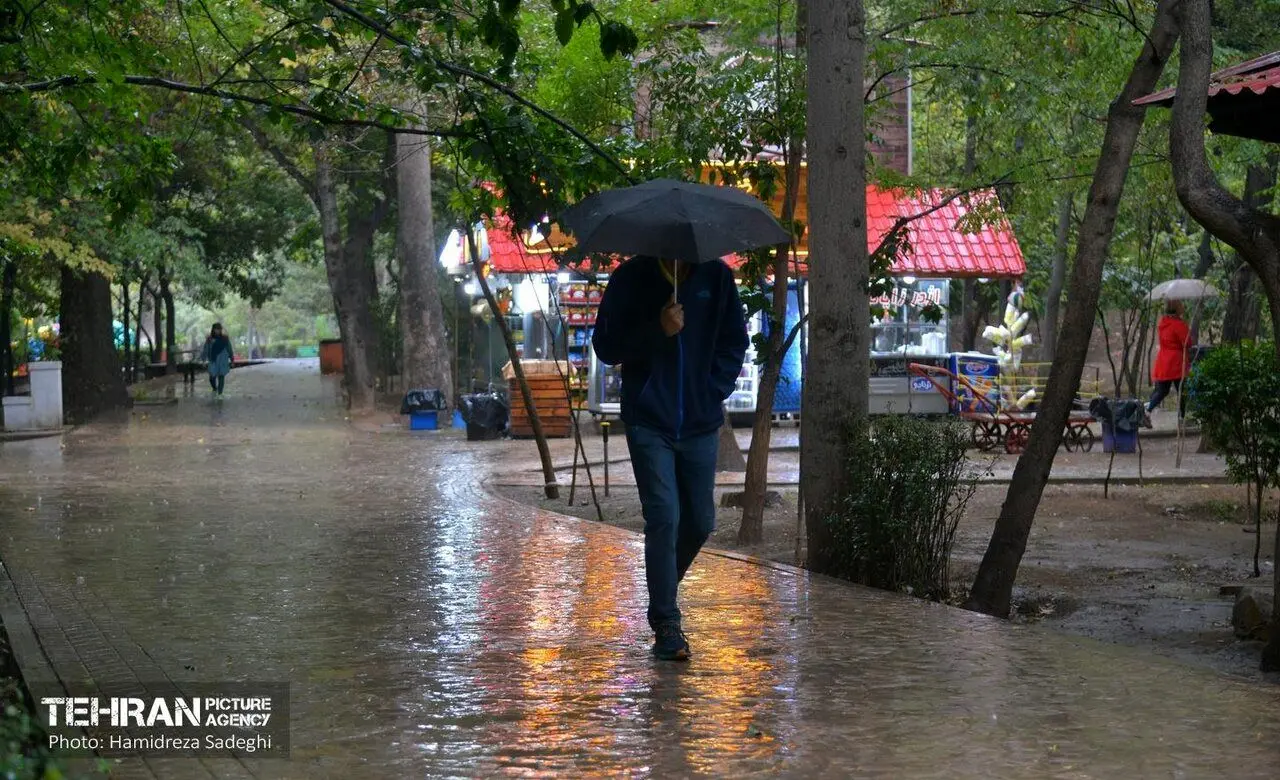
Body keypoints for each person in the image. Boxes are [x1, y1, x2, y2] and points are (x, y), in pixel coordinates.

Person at [592, 256, 748, 661]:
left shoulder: (716, 277)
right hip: (649, 420)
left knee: (700, 521)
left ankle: (661, 593)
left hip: (700, 421)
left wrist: (714, 387)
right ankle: (667, 623)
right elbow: (606, 346)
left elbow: (735, 341)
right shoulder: (631, 277)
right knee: (664, 514)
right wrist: (657, 331)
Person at [1146, 300, 1192, 421]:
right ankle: (1182, 417)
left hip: (1164, 360)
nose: (1183, 307)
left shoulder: (1163, 323)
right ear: (1177, 309)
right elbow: (1188, 343)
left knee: (1162, 391)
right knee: (1182, 391)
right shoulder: (1179, 324)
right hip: (1177, 362)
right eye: (1181, 305)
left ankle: (1148, 411)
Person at [201, 323, 234, 398]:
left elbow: (229, 348)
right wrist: (203, 360)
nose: (217, 331)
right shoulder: (209, 339)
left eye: (219, 329)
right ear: (213, 330)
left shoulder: (225, 339)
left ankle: (220, 393)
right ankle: (214, 388)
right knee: (212, 376)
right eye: (216, 329)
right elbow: (206, 349)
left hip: (223, 359)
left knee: (221, 376)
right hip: (213, 360)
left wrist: (232, 359)